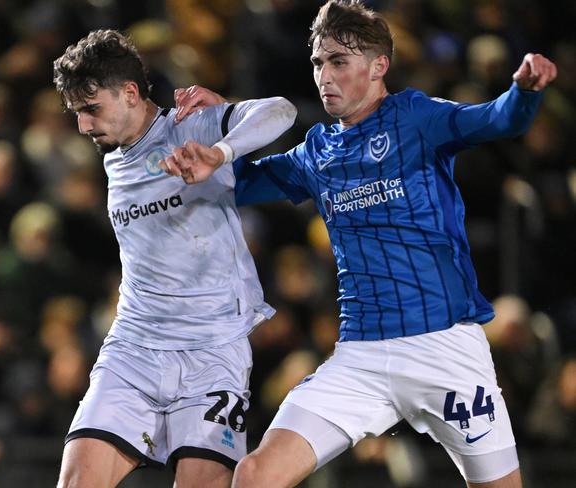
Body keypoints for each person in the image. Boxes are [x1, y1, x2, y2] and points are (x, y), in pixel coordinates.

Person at [161, 1, 557, 487]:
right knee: (257, 474)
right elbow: (240, 183)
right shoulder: (317, 152)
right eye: (317, 63)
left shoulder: (415, 117)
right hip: (361, 357)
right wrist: (212, 140)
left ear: (378, 66)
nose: (324, 75)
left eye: (338, 62)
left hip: (445, 348)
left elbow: (497, 120)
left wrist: (524, 92)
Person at [52, 29, 297, 488]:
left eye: (90, 109)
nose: (83, 126)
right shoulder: (112, 154)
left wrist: (220, 152)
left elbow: (280, 110)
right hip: (134, 348)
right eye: (77, 113)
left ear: (129, 93)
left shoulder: (191, 127)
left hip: (213, 351)